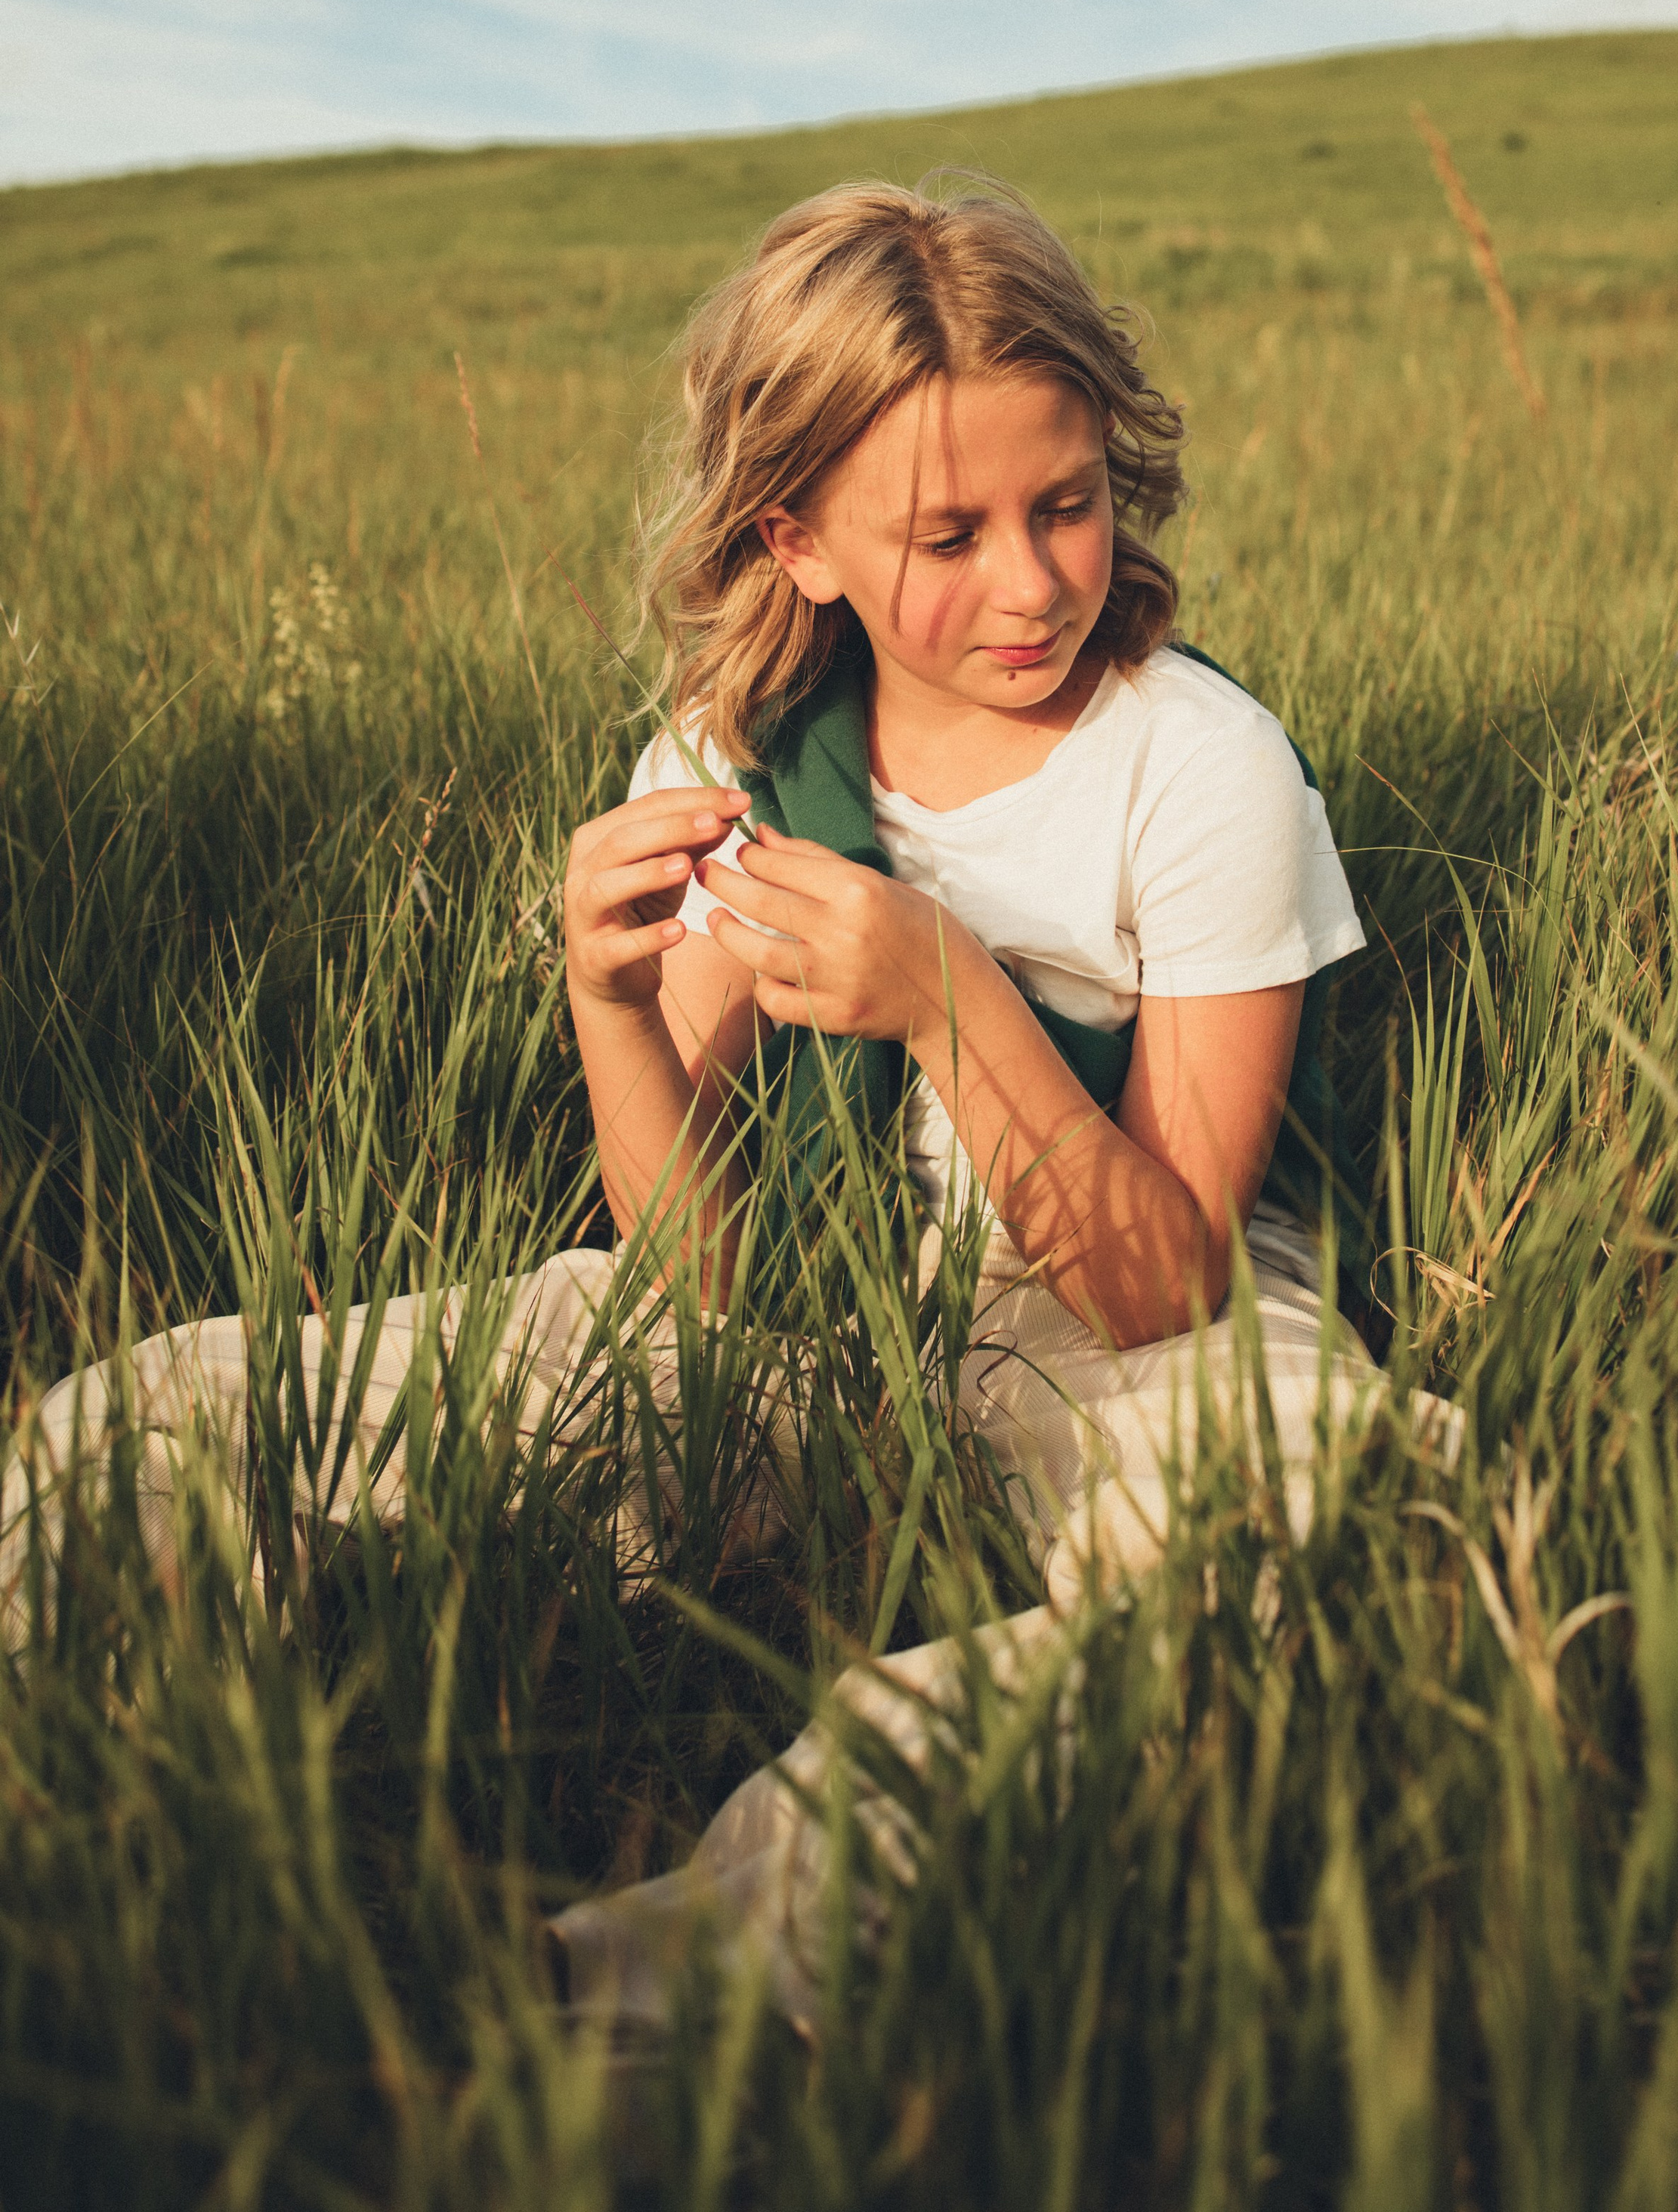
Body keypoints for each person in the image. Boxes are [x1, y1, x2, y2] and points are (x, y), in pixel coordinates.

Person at [545, 177, 1448, 2022]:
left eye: (1066, 505)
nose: (1031, 583)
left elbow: (1162, 1282)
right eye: (942, 534)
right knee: (200, 1422)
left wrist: (949, 994)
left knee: (1324, 1524)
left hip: (1144, 1321)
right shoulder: (740, 761)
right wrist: (610, 999)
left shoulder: (1197, 766)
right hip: (822, 1306)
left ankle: (669, 2015)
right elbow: (700, 1289)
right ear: (795, 540)